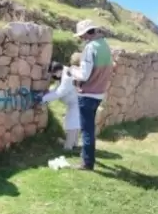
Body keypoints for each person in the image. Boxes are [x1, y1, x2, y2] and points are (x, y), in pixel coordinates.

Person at [68, 20, 113, 171]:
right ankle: (88, 157)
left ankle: (87, 163)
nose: (81, 38)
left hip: (88, 94)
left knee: (87, 130)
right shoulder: (105, 46)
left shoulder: (90, 48)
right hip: (99, 93)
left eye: (82, 35)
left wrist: (72, 71)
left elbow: (84, 74)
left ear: (88, 33)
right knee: (90, 128)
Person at [40, 61, 80, 151]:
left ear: (58, 70)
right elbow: (57, 88)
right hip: (75, 101)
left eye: (53, 73)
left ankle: (68, 147)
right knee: (75, 122)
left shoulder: (67, 77)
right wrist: (47, 94)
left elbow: (59, 92)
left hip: (76, 102)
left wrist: (43, 99)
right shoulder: (64, 72)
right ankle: (74, 143)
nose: (53, 75)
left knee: (71, 123)